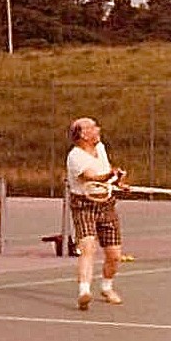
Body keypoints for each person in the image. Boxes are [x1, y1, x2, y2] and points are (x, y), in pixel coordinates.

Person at [66, 117, 128, 310]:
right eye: (93, 127)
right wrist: (110, 176)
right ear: (83, 134)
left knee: (114, 255)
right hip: (84, 205)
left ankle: (107, 287)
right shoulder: (75, 157)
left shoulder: (100, 147)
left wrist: (118, 182)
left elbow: (105, 171)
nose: (97, 129)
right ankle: (84, 292)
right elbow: (92, 177)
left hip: (107, 204)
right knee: (87, 248)